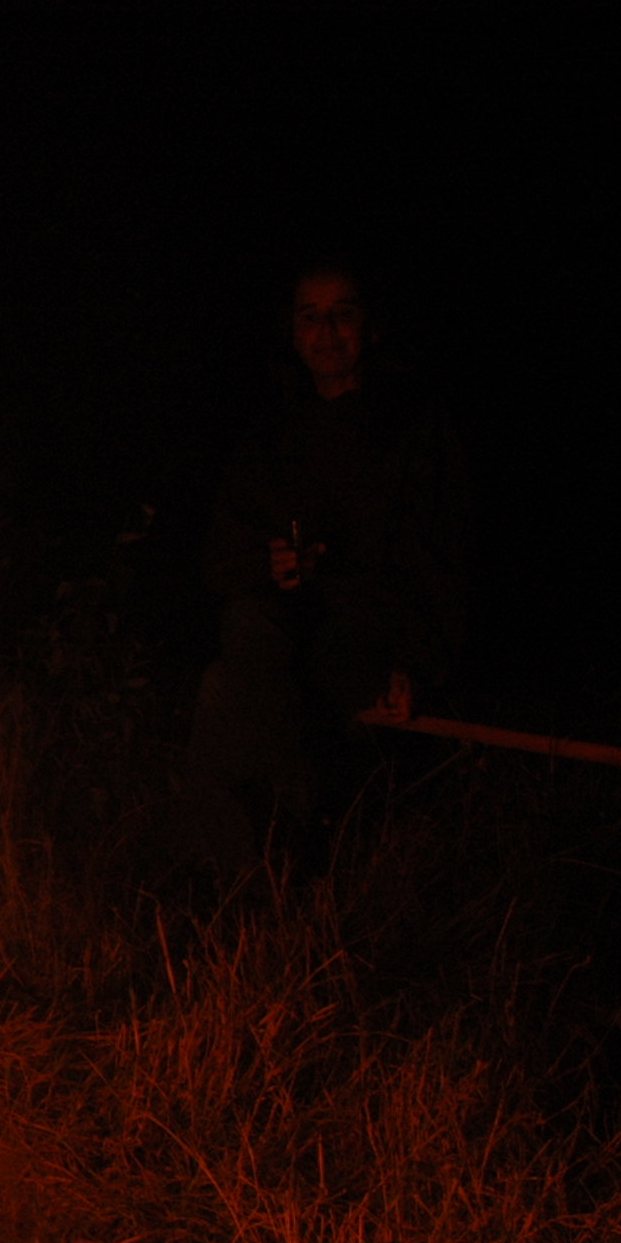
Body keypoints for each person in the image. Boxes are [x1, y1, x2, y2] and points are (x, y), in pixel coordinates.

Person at [184, 261, 469, 860]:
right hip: (287, 642)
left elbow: (445, 560)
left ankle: (279, 855)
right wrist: (269, 563)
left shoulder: (411, 427)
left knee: (224, 692)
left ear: (370, 326)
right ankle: (260, 864)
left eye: (342, 314)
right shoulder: (272, 434)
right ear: (293, 333)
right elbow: (220, 558)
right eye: (310, 317)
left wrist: (418, 664)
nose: (327, 332)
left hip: (370, 640)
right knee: (241, 646)